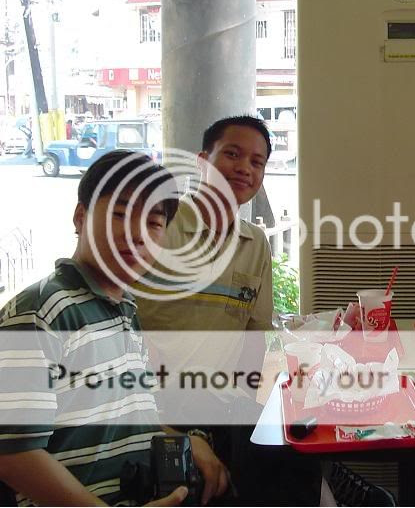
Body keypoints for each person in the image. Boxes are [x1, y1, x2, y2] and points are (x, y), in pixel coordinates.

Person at [0, 150, 228, 505]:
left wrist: (186, 441)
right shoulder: (40, 312)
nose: (137, 234)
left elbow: (129, 414)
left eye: (154, 223)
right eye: (120, 214)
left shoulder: (124, 309)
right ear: (80, 217)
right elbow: (13, 453)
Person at [135, 116, 328, 505]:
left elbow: (255, 339)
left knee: (303, 456)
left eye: (257, 162)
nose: (244, 168)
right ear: (202, 161)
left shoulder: (254, 243)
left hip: (220, 408)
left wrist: (253, 409)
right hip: (156, 410)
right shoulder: (159, 229)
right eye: (233, 154)